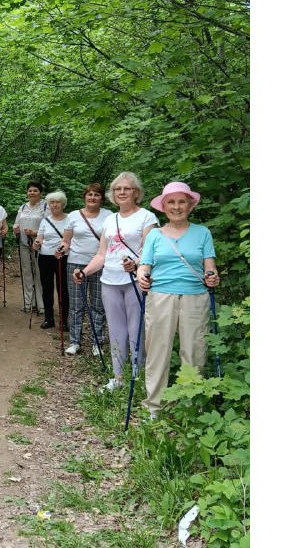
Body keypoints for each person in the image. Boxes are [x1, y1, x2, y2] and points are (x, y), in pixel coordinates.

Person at [137, 181, 219, 419]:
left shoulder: (203, 233)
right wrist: (142, 275)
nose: (176, 206)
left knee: (194, 351)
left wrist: (212, 277)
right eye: (171, 202)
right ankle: (155, 406)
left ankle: (192, 405)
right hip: (161, 295)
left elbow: (210, 267)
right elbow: (144, 265)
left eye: (181, 201)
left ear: (190, 205)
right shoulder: (155, 235)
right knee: (157, 351)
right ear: (163, 206)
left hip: (196, 296)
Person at [74, 172, 159, 392]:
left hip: (134, 281)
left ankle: (137, 376)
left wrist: (136, 263)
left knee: (135, 329)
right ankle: (118, 376)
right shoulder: (110, 219)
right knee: (116, 329)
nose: (122, 192)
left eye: (127, 188)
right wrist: (85, 272)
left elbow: (151, 252)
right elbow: (101, 254)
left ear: (136, 193)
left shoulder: (147, 217)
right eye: (118, 189)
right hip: (109, 279)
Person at [59, 183, 112, 355]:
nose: (92, 197)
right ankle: (75, 341)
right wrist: (61, 249)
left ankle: (97, 342)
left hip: (101, 265)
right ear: (84, 197)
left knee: (98, 304)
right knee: (76, 304)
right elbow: (66, 241)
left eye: (96, 194)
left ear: (102, 198)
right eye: (89, 194)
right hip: (76, 264)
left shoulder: (109, 216)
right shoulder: (74, 216)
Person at [33, 191, 70, 331]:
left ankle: (64, 320)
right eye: (51, 202)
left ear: (63, 204)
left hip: (63, 257)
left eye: (57, 202)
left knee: (63, 289)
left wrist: (64, 249)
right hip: (45, 256)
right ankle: (49, 318)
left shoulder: (69, 219)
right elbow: (40, 237)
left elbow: (71, 239)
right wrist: (36, 243)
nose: (54, 205)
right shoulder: (45, 220)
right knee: (46, 288)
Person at [13, 182, 47, 315]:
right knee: (27, 273)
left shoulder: (45, 206)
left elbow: (49, 226)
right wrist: (15, 229)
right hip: (24, 244)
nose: (32, 193)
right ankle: (29, 302)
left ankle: (42, 304)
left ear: (40, 192)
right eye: (30, 191)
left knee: (39, 273)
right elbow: (16, 224)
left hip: (39, 245)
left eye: (35, 190)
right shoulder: (22, 207)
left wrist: (35, 233)